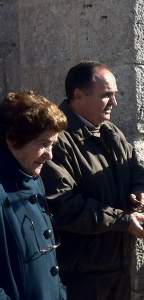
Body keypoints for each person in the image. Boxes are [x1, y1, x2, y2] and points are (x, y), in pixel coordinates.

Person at [40, 62, 144, 300]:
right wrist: (123, 220)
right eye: (106, 96)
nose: (114, 103)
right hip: (81, 274)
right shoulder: (57, 141)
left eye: (114, 95)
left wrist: (141, 192)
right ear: (78, 96)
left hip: (117, 267)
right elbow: (63, 204)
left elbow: (136, 171)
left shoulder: (111, 132)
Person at [0, 91, 68, 300]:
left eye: (52, 145)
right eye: (43, 144)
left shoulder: (32, 176)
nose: (50, 155)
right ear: (13, 140)